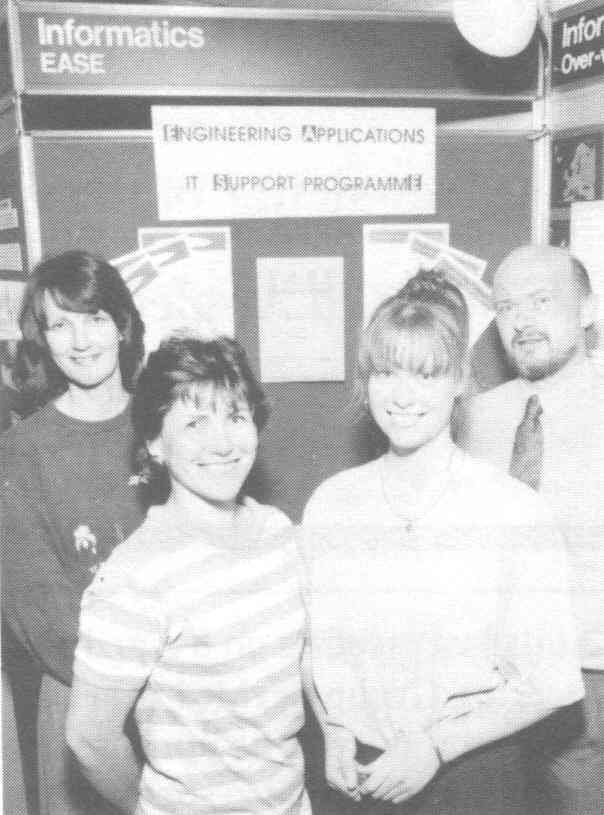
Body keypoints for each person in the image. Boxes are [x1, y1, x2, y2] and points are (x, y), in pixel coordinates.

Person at [301, 270, 583, 815]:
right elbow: (316, 648)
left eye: (426, 375)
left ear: (459, 383)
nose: (402, 396)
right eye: (386, 373)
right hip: (359, 777)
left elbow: (553, 682)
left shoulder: (511, 510)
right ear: (366, 383)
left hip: (471, 775)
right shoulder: (333, 504)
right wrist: (333, 728)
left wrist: (435, 747)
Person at [66, 335, 309, 815]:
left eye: (236, 417)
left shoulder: (278, 534)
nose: (222, 443)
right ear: (155, 442)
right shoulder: (136, 576)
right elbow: (88, 738)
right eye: (195, 422)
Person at [456, 244, 604, 815]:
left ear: (588, 309)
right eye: (508, 306)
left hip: (591, 683)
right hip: (493, 686)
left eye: (542, 300)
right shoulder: (475, 418)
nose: (522, 320)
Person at [1, 250, 146, 815]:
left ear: (122, 325)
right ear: (41, 337)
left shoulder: (166, 424)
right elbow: (40, 614)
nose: (80, 340)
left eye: (94, 318)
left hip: (184, 691)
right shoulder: (20, 454)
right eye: (59, 323)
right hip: (80, 696)